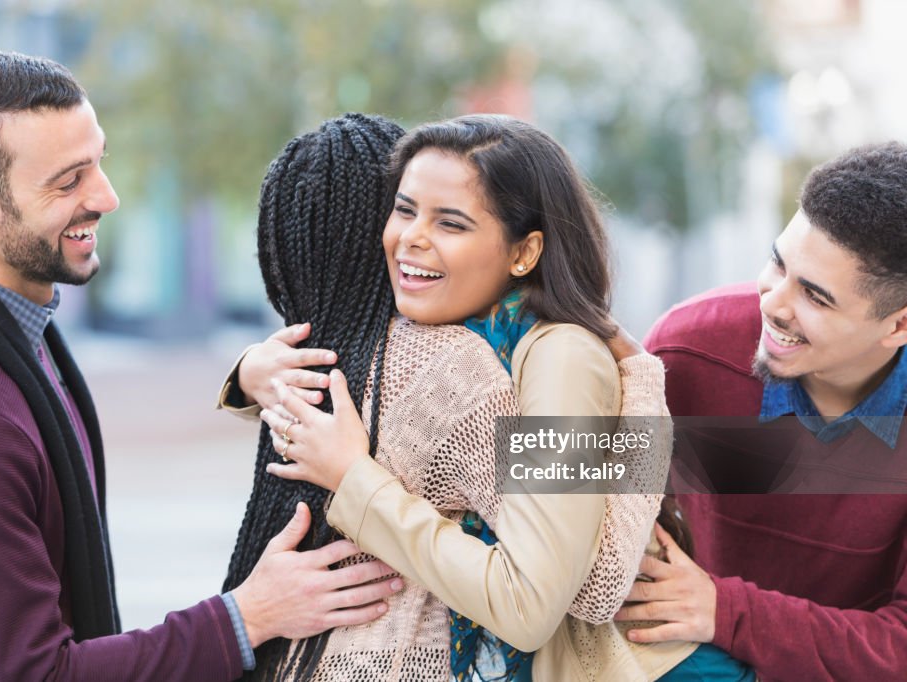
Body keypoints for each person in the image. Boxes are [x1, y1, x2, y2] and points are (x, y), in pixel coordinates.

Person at [0, 50, 401, 682]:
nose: (108, 196)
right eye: (67, 180)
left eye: (97, 160)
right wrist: (249, 615)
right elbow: (34, 673)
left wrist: (242, 381)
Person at [235, 116, 700, 680]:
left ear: (524, 252)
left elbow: (589, 589)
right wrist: (247, 375)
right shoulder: (445, 343)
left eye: (451, 223)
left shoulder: (558, 358)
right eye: (403, 210)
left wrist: (644, 386)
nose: (412, 237)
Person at [618, 142, 907, 680]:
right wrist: (422, 530)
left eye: (816, 297)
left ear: (898, 326)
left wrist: (724, 611)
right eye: (778, 262)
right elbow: (569, 475)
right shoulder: (690, 351)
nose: (772, 303)